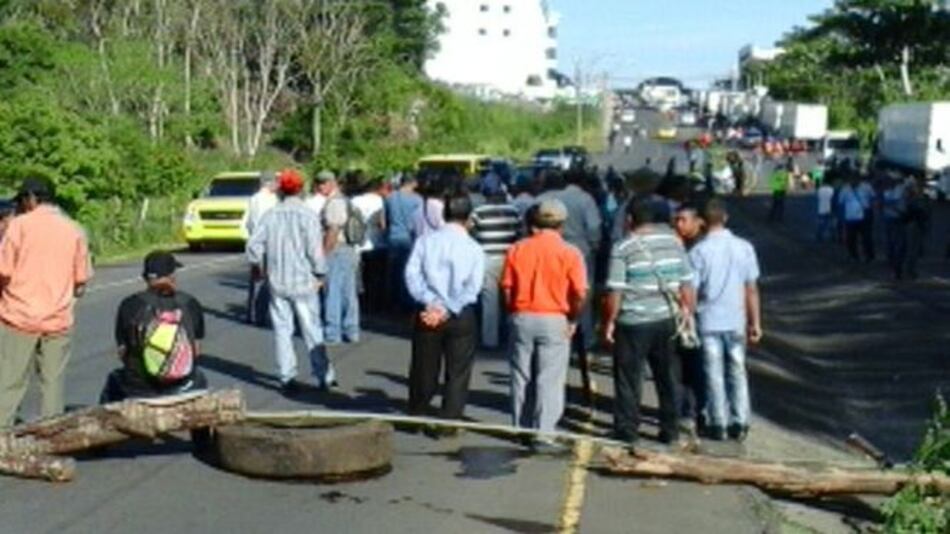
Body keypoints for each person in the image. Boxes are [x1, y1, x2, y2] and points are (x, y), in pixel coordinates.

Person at [0, 178, 93, 427]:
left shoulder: (18, 226)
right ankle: (52, 435)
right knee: (52, 384)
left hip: (17, 317)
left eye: (22, 200)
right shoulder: (74, 229)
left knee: (10, 383)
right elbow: (81, 280)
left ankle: (2, 436)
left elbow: (3, 270)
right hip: (57, 320)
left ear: (32, 198)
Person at [603, 199, 694, 448]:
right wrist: (687, 314)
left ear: (630, 220)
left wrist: (610, 321)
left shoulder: (623, 247)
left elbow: (616, 289)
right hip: (667, 319)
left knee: (629, 378)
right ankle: (670, 430)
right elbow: (687, 283)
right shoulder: (674, 243)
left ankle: (627, 430)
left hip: (633, 321)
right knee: (668, 377)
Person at [502, 200, 587, 449]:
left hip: (522, 314)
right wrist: (573, 318)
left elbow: (506, 288)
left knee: (520, 375)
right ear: (562, 224)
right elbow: (580, 293)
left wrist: (512, 312)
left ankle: (521, 426)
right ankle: (544, 432)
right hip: (554, 317)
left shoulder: (517, 248)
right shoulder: (570, 252)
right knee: (549, 378)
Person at [247, 169, 336, 395]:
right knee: (312, 330)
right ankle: (323, 375)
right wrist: (321, 274)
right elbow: (315, 251)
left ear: (280, 191)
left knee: (282, 330)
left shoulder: (270, 215)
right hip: (303, 282)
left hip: (278, 281)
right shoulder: (307, 215)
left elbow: (254, 246)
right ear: (300, 189)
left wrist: (258, 267)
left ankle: (287, 376)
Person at [404, 195, 484, 428]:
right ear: (468, 218)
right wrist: (448, 307)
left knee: (423, 365)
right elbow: (473, 287)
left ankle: (417, 411)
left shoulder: (425, 241)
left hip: (428, 311)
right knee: (458, 370)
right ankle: (450, 419)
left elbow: (412, 275)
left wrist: (431, 302)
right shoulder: (474, 248)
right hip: (460, 313)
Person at [689, 199, 762, 442]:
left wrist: (688, 317)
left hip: (709, 320)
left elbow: (692, 290)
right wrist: (755, 322)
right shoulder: (744, 247)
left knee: (713, 372)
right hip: (736, 319)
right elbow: (751, 288)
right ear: (726, 218)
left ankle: (718, 422)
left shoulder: (698, 251)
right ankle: (740, 421)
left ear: (702, 222)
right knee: (737, 370)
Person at [100, 251, 207, 403]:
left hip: (140, 388)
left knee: (113, 380)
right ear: (172, 276)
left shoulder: (129, 305)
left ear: (145, 278)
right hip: (183, 385)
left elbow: (123, 352)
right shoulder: (190, 303)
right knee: (200, 376)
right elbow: (196, 350)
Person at [539, 171, 602, 406]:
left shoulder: (546, 199)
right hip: (580, 251)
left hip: (549, 252)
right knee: (582, 293)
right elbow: (594, 228)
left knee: (552, 291)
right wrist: (594, 247)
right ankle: (584, 341)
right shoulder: (585, 199)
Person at [470, 187, 521, 349]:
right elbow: (519, 235)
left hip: (487, 259)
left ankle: (490, 340)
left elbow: (471, 233)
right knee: (510, 298)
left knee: (489, 301)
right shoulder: (514, 211)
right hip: (509, 258)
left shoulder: (479, 212)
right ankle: (511, 335)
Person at [672, 203, 707, 435]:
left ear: (698, 222)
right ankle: (683, 410)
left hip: (695, 314)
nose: (679, 224)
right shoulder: (679, 244)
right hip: (683, 313)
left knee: (694, 366)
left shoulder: (699, 249)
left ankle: (693, 411)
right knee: (682, 366)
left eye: (683, 219)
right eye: (677, 220)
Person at [320, 170, 362, 345]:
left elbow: (333, 230)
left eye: (323, 183)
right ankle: (351, 330)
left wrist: (324, 253)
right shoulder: (345, 200)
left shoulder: (335, 202)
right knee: (348, 292)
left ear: (332, 183)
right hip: (349, 250)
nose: (320, 186)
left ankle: (333, 332)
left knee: (333, 292)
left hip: (337, 250)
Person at [244, 172, 278, 326]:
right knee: (265, 279)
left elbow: (249, 222)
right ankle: (260, 313)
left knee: (256, 278)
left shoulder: (254, 199)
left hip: (256, 242)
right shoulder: (270, 200)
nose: (277, 185)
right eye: (275, 182)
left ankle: (253, 313)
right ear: (268, 183)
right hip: (267, 243)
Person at [385, 173, 422, 311]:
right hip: (409, 238)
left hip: (393, 236)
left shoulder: (390, 197)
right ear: (413, 183)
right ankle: (406, 302)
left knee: (394, 271)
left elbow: (385, 219)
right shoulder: (417, 200)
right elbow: (419, 221)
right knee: (408, 271)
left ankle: (392, 301)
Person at [352, 176, 389, 313]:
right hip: (376, 243)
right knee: (375, 275)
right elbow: (382, 223)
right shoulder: (379, 201)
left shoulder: (355, 200)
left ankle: (360, 301)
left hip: (358, 244)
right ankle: (374, 303)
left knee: (360, 275)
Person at [838, 175, 871, 262]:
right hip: (850, 218)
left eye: (855, 179)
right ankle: (853, 255)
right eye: (852, 179)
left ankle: (867, 255)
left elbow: (872, 198)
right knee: (851, 238)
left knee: (866, 238)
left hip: (863, 217)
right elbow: (841, 203)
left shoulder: (866, 187)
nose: (853, 181)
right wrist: (841, 218)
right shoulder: (845, 189)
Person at [882, 177, 908, 279]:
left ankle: (896, 268)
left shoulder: (897, 190)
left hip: (896, 219)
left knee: (895, 244)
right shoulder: (892, 191)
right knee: (895, 244)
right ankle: (895, 268)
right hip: (893, 219)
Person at [815, 178, 836, 243]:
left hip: (821, 209)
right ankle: (833, 236)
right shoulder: (832, 189)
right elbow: (833, 199)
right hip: (830, 208)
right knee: (831, 223)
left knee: (821, 223)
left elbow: (818, 198)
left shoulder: (819, 190)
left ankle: (819, 235)